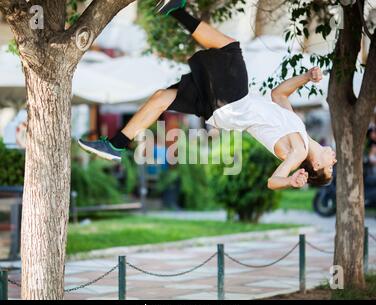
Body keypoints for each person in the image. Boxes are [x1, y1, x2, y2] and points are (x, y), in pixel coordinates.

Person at [78, 0, 337, 190]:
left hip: (234, 102)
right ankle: (115, 145)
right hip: (226, 109)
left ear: (314, 166)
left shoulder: (298, 152)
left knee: (229, 47)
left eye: (329, 167)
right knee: (160, 97)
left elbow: (272, 181)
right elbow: (279, 94)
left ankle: (175, 9)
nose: (334, 160)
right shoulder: (299, 133)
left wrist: (289, 181)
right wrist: (305, 77)